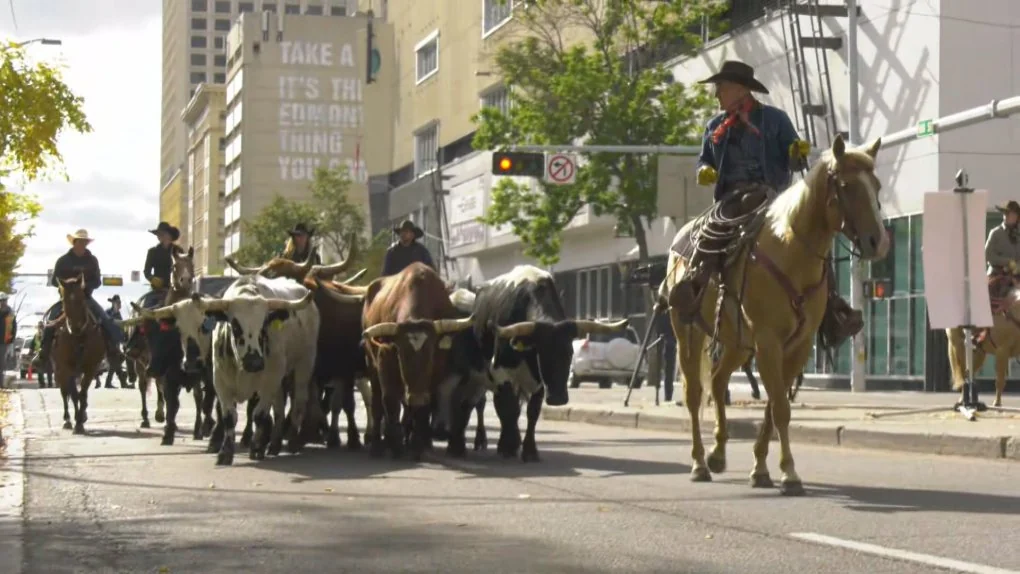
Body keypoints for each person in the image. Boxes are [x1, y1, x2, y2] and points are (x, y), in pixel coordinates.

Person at [667, 60, 863, 350]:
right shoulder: (714, 126)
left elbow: (796, 156)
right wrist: (703, 170)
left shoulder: (775, 120)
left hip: (773, 199)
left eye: (720, 87)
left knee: (812, 242)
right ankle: (694, 290)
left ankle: (831, 304)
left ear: (739, 89)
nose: (716, 94)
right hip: (731, 199)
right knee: (709, 235)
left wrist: (797, 153)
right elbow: (704, 159)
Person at [33, 229, 125, 368]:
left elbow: (97, 281)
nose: (83, 244)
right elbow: (54, 280)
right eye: (80, 241)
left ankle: (114, 352)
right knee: (50, 324)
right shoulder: (63, 260)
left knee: (106, 320)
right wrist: (67, 285)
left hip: (86, 298)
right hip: (67, 299)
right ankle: (43, 354)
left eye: (85, 241)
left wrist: (85, 287)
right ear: (74, 242)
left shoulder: (92, 260)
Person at [141, 221, 183, 307]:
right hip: (158, 290)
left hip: (176, 289)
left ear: (170, 235)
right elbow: (146, 272)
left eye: (163, 234)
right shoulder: (152, 252)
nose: (160, 236)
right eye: (159, 234)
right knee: (147, 307)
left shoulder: (179, 251)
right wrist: (152, 279)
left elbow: (184, 269)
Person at [984, 201, 1020, 299]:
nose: (1008, 216)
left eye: (1012, 214)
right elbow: (988, 255)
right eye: (1006, 213)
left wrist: (1017, 266)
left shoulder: (1018, 236)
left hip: (1015, 278)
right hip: (997, 277)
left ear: (1017, 217)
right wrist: (1008, 262)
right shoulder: (996, 233)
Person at [101, 295, 130, 389]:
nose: (119, 304)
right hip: (107, 342)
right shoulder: (107, 313)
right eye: (117, 303)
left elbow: (120, 330)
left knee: (117, 360)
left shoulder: (119, 315)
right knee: (116, 360)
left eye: (120, 302)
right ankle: (119, 381)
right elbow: (104, 326)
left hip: (116, 343)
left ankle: (120, 381)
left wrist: (124, 340)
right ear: (113, 303)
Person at [0, 293, 15, 383]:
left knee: (1, 363)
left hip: (4, 342)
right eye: (1, 301)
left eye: (4, 301)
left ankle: (1, 383)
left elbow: (14, 327)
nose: (3, 303)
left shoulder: (10, 313)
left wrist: (11, 340)